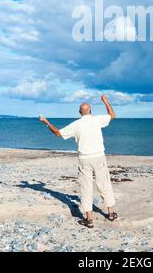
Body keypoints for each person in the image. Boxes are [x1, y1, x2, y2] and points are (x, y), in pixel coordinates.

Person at [39, 94, 117, 228]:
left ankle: (89, 219)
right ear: (90, 111)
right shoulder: (97, 119)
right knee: (104, 184)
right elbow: (112, 115)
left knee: (86, 189)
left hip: (84, 159)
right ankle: (110, 214)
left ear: (79, 112)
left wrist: (46, 122)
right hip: (99, 157)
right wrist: (105, 101)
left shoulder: (76, 124)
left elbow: (58, 133)